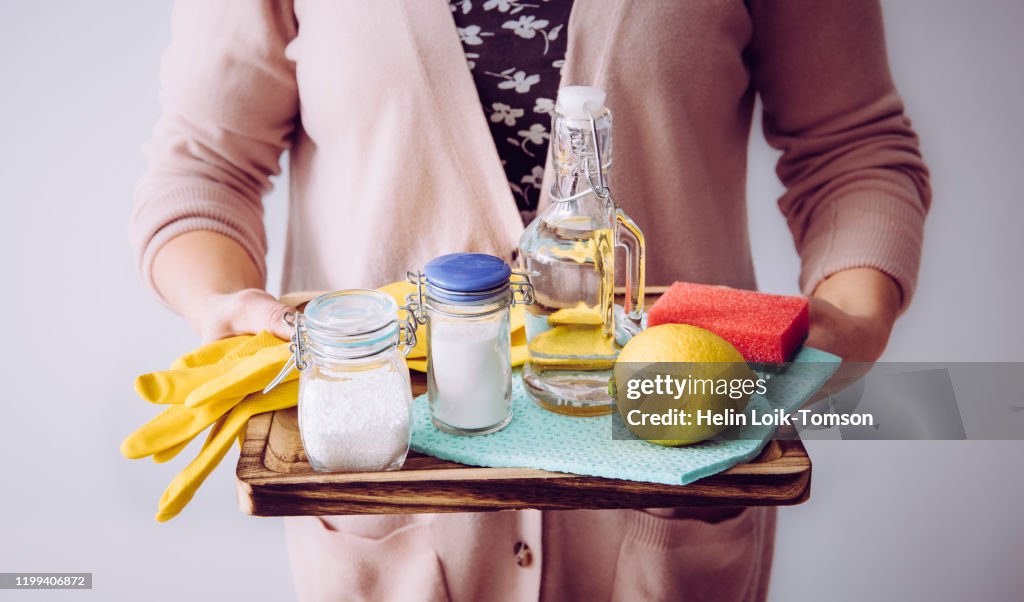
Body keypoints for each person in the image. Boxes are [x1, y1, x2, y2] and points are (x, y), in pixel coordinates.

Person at [130, 1, 930, 600]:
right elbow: (207, 162)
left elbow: (852, 146)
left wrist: (854, 315)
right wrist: (223, 302)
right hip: (391, 493)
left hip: (669, 487)